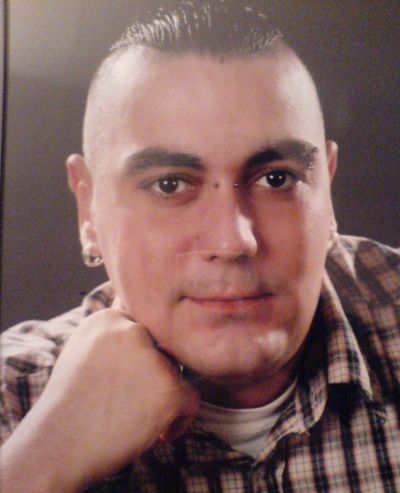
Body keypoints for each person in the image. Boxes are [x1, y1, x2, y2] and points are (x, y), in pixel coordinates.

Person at [1, 2, 399, 492]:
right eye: (169, 185)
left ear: (327, 191)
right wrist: (41, 464)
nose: (233, 242)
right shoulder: (13, 397)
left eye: (277, 179)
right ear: (89, 208)